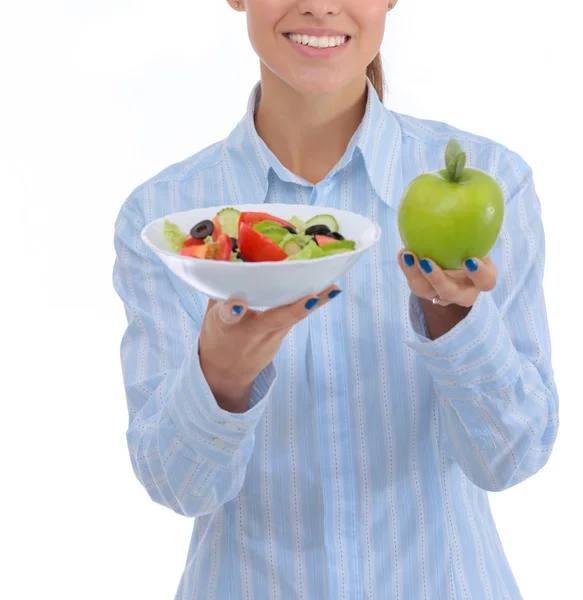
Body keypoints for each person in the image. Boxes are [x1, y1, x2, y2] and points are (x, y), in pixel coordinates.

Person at [112, 1, 559, 598]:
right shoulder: (167, 221)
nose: (321, 5)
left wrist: (455, 324)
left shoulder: (494, 181)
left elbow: (511, 458)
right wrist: (219, 378)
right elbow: (180, 488)